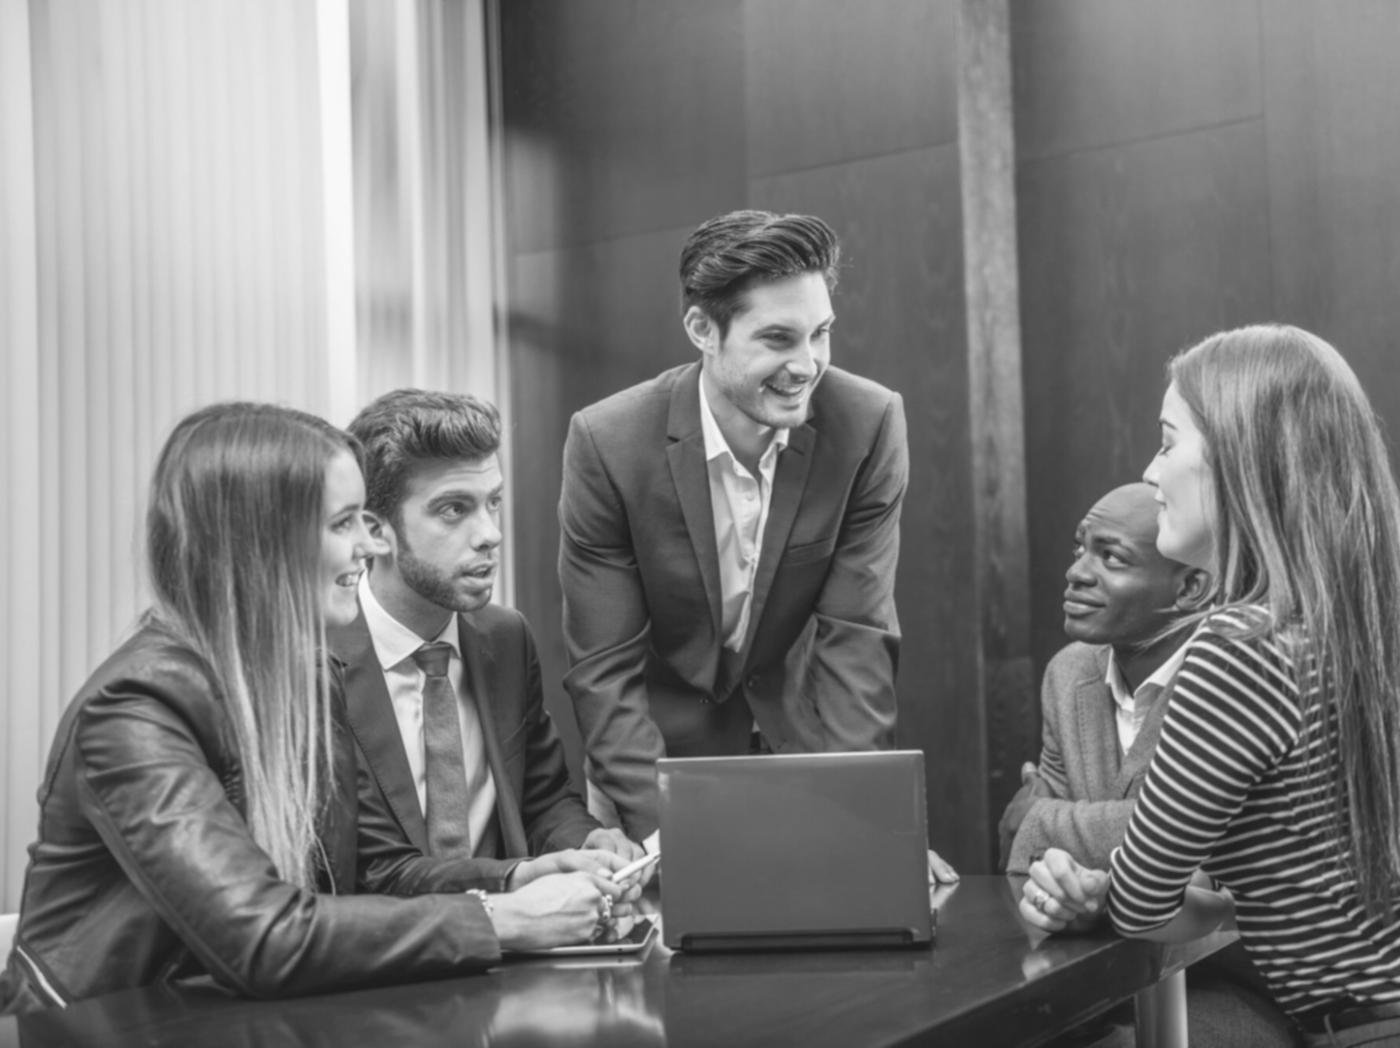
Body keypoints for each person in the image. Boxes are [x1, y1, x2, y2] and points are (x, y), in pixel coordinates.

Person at [1019, 325, 1400, 1046]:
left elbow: (1142, 899)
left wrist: (1103, 889)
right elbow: (1280, 891)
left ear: (1238, 462)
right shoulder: (1347, 630)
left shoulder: (1237, 645)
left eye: (1168, 441)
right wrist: (1199, 902)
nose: (1151, 474)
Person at [0, 403, 636, 1014]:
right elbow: (260, 935)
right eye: (344, 524)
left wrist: (515, 881)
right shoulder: (137, 706)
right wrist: (503, 920)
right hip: (112, 1026)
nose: (367, 546)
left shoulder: (300, 675)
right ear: (259, 543)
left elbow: (377, 872)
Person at [557, 208, 955, 882]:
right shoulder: (608, 443)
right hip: (655, 767)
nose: (807, 366)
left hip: (808, 752)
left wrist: (862, 824)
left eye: (820, 334)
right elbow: (604, 667)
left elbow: (856, 638)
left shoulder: (867, 423)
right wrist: (667, 836)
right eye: (777, 339)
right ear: (702, 331)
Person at [999, 483, 1298, 1048]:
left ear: (1190, 588)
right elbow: (1032, 859)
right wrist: (1071, 873)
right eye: (1079, 549)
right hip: (1098, 969)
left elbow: (1218, 854)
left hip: (1238, 979)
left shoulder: (1240, 671)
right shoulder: (1069, 673)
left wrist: (1046, 819)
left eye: (1110, 557)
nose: (1077, 573)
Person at [334, 389, 644, 895]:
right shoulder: (314, 662)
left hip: (522, 955)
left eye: (493, 502)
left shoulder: (506, 637)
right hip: (388, 957)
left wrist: (587, 843)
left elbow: (541, 801)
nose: (490, 534)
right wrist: (515, 881)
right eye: (454, 510)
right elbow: (369, 870)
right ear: (377, 531)